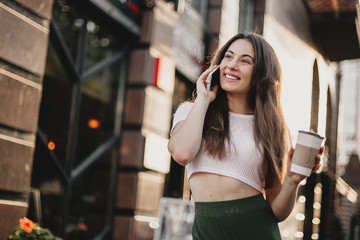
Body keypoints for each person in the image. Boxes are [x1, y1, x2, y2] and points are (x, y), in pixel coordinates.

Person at [167, 32, 324, 239]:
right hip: (206, 232)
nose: (232, 65)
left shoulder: (273, 129)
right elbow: (182, 153)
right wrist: (203, 99)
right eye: (228, 56)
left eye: (245, 61)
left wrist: (293, 181)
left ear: (261, 73)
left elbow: (277, 212)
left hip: (256, 230)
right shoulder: (191, 112)